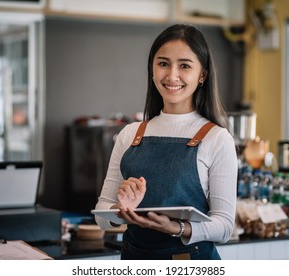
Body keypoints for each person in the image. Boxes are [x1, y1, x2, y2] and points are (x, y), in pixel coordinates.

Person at [95, 24, 237, 260]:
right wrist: (122, 210)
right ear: (152, 70)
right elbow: (101, 216)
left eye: (184, 65)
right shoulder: (130, 134)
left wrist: (177, 228)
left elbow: (224, 226)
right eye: (163, 63)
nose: (172, 75)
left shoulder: (217, 138)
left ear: (202, 74)